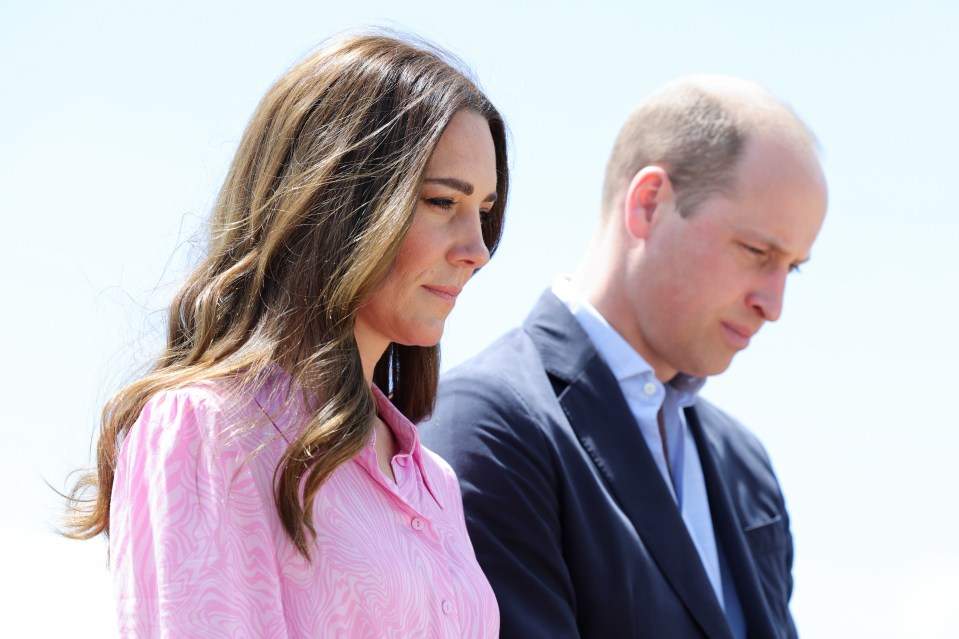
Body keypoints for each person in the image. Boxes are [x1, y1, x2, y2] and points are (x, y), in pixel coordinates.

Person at [64, 31, 509, 638]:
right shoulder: (206, 430)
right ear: (339, 202)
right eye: (439, 202)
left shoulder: (434, 480)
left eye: (483, 212)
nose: (478, 251)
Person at [419, 75, 827, 639]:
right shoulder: (487, 426)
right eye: (757, 252)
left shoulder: (744, 465)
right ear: (650, 203)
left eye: (793, 267)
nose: (773, 304)